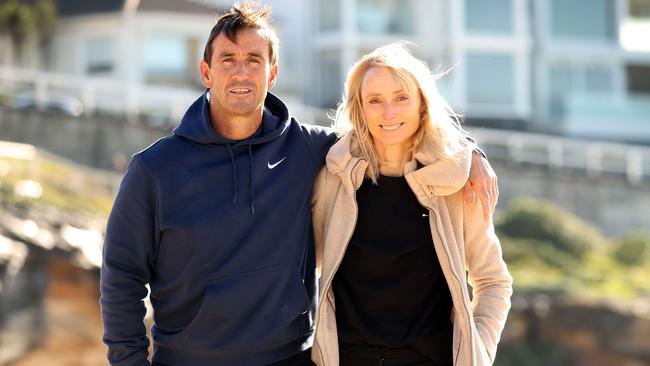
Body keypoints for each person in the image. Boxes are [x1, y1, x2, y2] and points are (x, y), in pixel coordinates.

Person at [100, 3, 499, 366]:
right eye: (228, 60)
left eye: (254, 60)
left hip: (291, 359)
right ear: (206, 72)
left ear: (272, 72)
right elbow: (121, 277)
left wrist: (469, 150)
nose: (241, 72)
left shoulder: (310, 149)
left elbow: (389, 129)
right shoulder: (154, 170)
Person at [310, 43, 512, 366]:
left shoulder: (455, 182)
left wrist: (478, 352)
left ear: (422, 105)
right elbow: (303, 265)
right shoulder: (333, 177)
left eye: (401, 98)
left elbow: (493, 282)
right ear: (359, 108)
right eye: (375, 101)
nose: (388, 112)